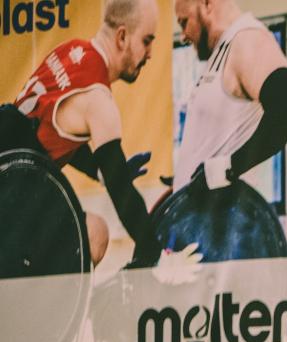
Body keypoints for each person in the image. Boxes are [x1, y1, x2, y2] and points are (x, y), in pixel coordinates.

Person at [9, 0, 181, 267]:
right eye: (146, 41)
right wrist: (157, 255)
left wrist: (100, 170)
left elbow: (50, 134)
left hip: (9, 190)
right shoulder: (98, 99)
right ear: (122, 36)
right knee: (95, 233)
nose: (150, 53)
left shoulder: (69, 50)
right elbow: (122, 193)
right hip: (11, 213)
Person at [172, 0, 287, 194]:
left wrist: (226, 169)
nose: (183, 36)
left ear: (207, 4)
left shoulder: (247, 39)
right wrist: (185, 175)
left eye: (184, 22)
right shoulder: (221, 50)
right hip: (201, 218)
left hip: (226, 219)